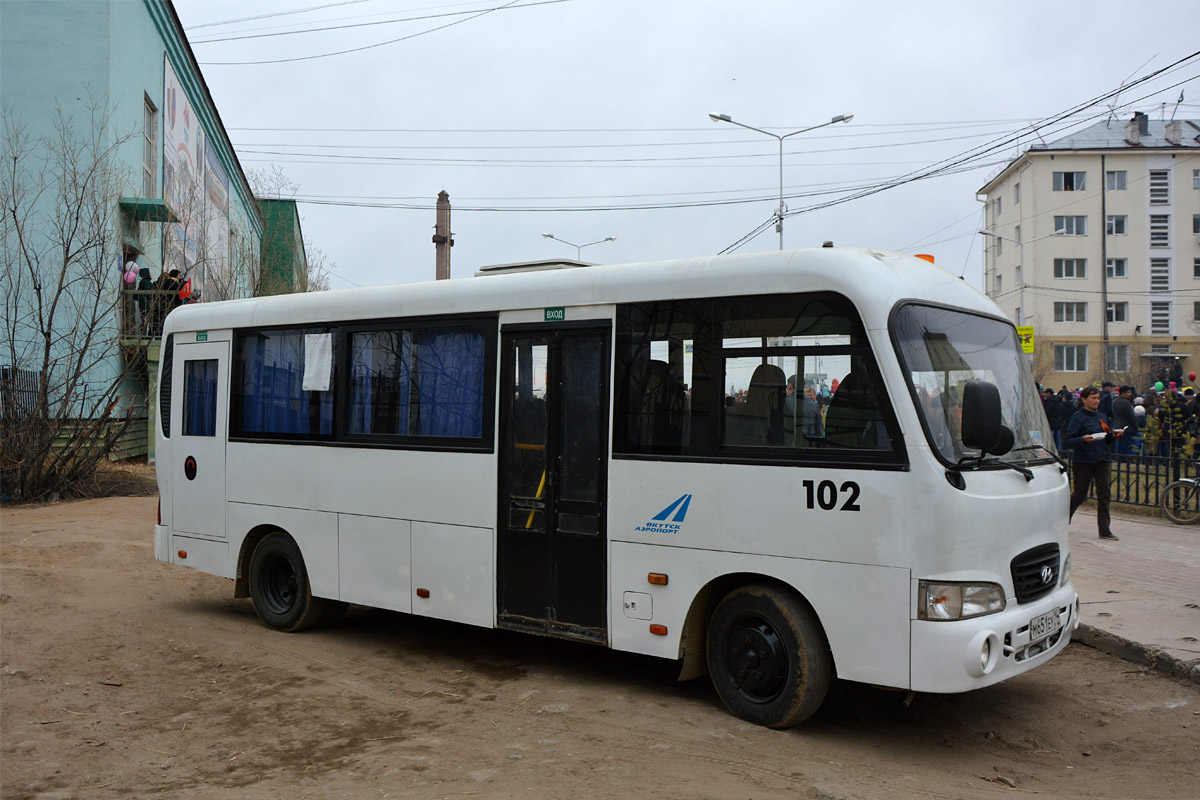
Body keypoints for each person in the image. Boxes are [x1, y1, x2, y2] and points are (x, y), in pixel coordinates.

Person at [1065, 385, 1121, 540]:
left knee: (1104, 493)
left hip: (1102, 458)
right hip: (1084, 460)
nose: (1096, 401)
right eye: (1093, 398)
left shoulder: (1101, 416)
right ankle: (1061, 521)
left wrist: (1113, 436)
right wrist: (1083, 439)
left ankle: (1104, 529)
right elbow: (1069, 441)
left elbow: (1106, 436)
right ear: (1084, 399)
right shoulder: (1077, 418)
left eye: (1098, 398)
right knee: (1080, 494)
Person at [1111, 385, 1138, 456]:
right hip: (1127, 428)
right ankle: (1124, 460)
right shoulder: (1126, 403)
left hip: (1117, 426)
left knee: (1118, 445)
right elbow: (1131, 417)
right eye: (1128, 392)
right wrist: (1136, 426)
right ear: (1123, 393)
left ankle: (1118, 459)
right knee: (1126, 447)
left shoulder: (1115, 402)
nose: (1130, 394)